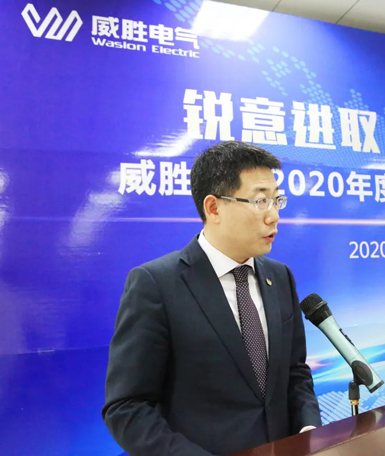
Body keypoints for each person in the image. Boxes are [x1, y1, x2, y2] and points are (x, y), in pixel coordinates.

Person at [102, 141, 322, 455]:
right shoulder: (156, 284)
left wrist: (308, 428)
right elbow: (127, 407)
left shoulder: (280, 277)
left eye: (277, 200)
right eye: (261, 201)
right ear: (214, 208)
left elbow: (295, 373)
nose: (274, 216)